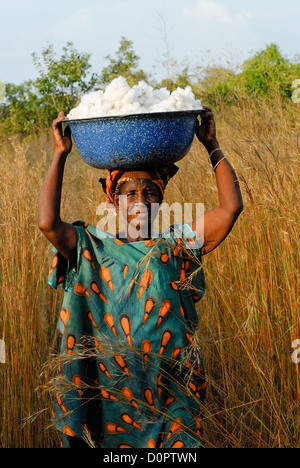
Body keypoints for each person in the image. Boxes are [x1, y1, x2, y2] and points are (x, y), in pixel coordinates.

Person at [38, 107, 243, 448]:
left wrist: (212, 145)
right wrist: (60, 155)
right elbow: (47, 223)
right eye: (130, 194)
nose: (140, 202)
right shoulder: (92, 246)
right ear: (113, 200)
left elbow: (230, 209)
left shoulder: (176, 244)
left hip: (171, 387)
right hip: (111, 389)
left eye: (149, 193)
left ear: (161, 199)